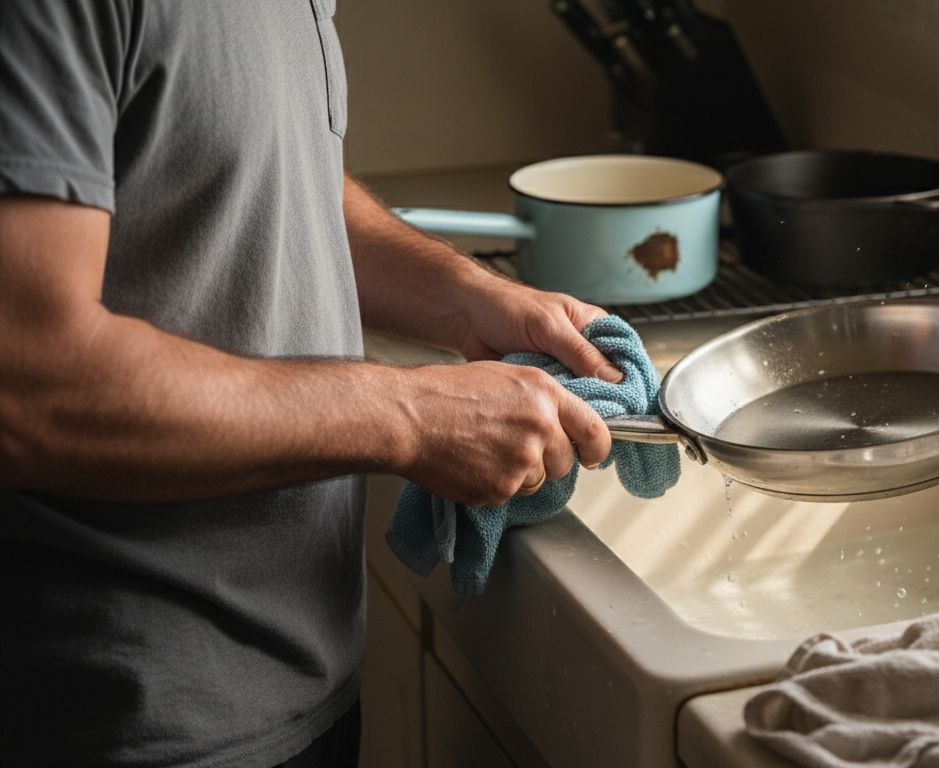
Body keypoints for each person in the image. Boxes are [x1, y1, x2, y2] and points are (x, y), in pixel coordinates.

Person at [0, 2, 617, 766]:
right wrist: (409, 416)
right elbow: (29, 384)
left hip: (298, 680)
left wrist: (458, 293)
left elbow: (260, 164)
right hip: (124, 713)